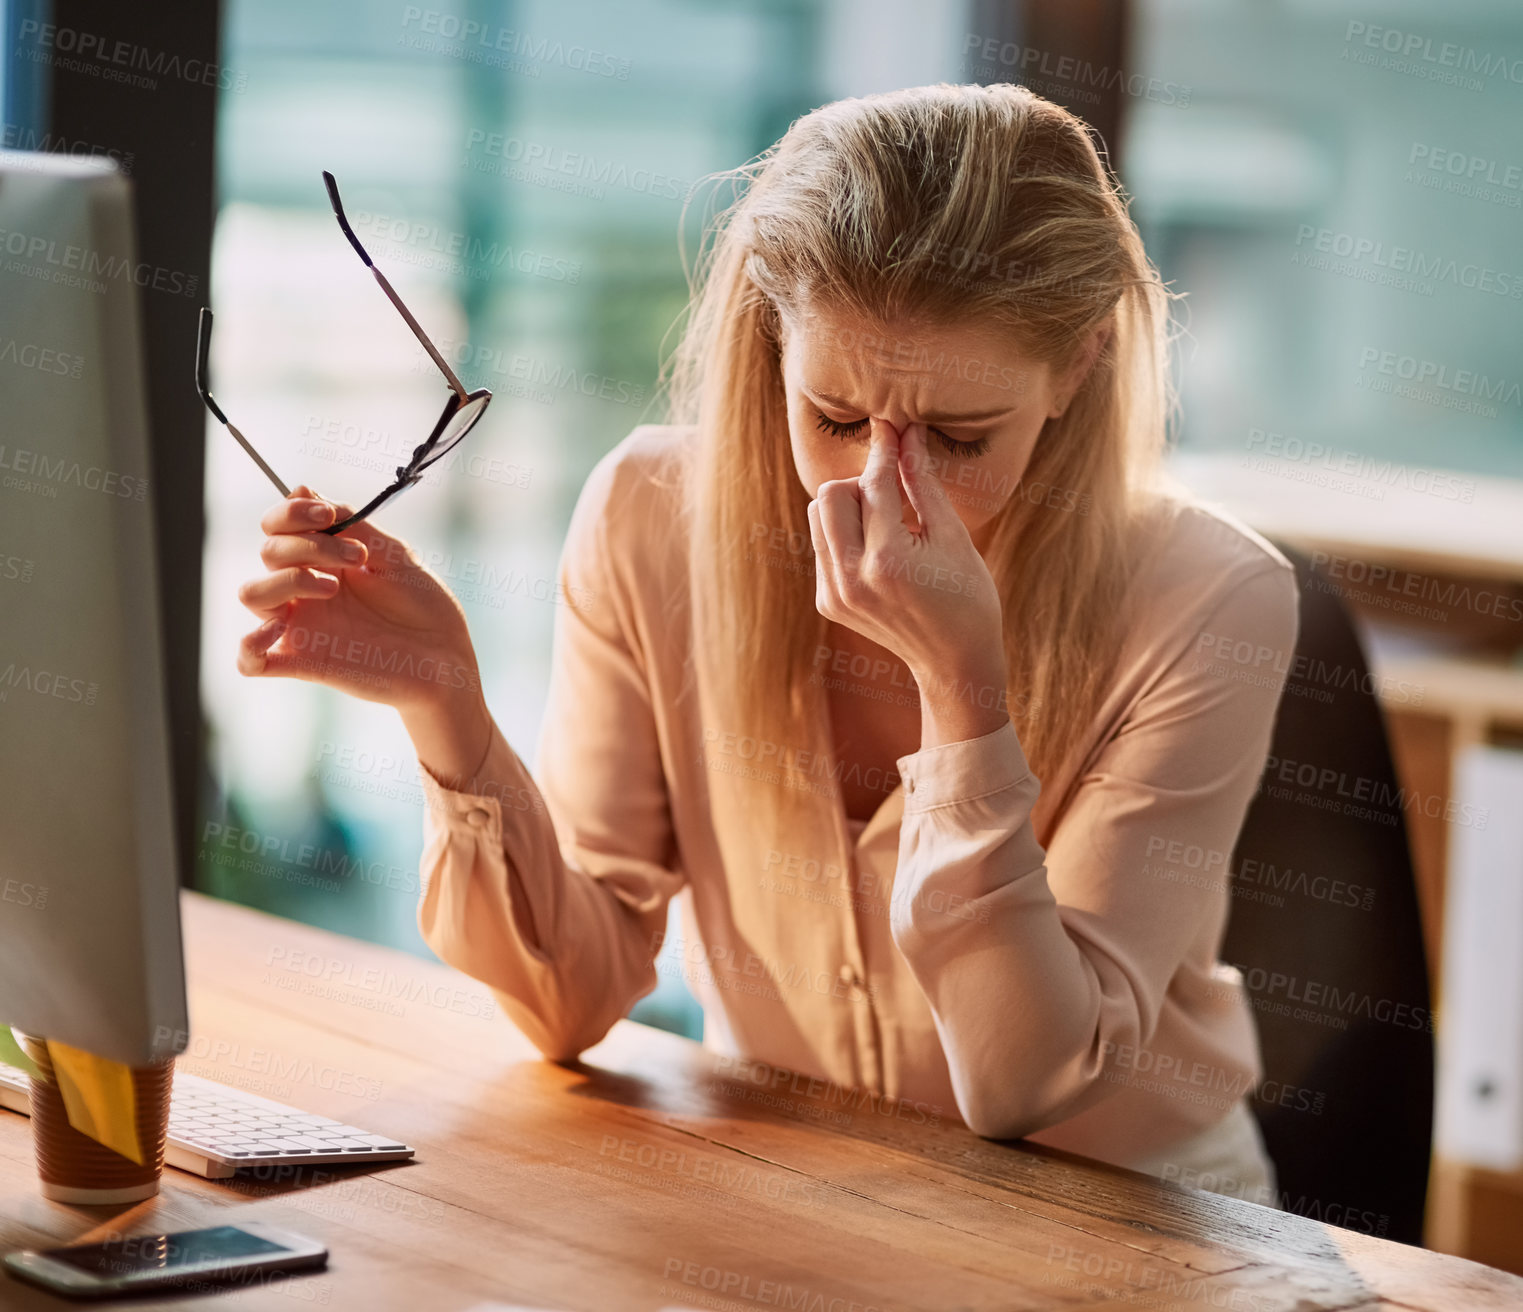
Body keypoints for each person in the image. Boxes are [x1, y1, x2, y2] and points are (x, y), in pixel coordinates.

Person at [235, 83, 1296, 1206]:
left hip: (1131, 1231)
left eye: (956, 436)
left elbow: (1023, 1079)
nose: (879, 485)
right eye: (834, 418)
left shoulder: (1210, 598)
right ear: (771, 344)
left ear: (1077, 366)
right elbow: (569, 1002)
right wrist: (447, 712)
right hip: (806, 1212)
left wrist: (961, 696)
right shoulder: (650, 515)